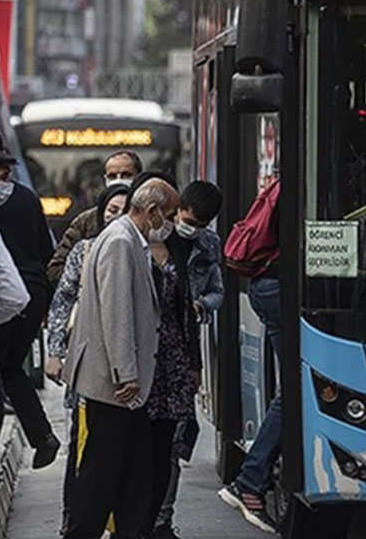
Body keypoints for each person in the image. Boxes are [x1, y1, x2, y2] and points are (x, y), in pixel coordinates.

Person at [63, 177, 179, 539]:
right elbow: (117, 313)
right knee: (103, 473)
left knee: (133, 472)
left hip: (124, 383)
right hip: (114, 383)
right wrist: (125, 373)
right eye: (169, 214)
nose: (170, 222)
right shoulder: (120, 241)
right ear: (152, 210)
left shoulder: (130, 239)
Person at [0, 140, 61, 470]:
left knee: (1, 372)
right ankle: (39, 437)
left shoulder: (7, 203)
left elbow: (42, 250)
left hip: (12, 297)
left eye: (7, 176)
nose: (3, 184)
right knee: (6, 371)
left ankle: (33, 440)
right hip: (21, 296)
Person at [43, 182, 131, 535]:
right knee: (84, 448)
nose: (117, 217)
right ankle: (76, 520)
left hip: (132, 374)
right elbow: (62, 300)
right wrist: (55, 352)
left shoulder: (147, 250)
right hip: (88, 366)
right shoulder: (84, 250)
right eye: (112, 211)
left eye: (124, 211)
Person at [147, 180, 222, 538]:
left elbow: (217, 291)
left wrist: (199, 306)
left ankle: (162, 520)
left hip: (183, 352)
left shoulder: (207, 246)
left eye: (200, 224)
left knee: (173, 444)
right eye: (187, 218)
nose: (191, 228)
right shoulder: (152, 241)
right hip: (149, 353)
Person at [219, 187, 282, 534]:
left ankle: (251, 480)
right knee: (300, 388)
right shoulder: (305, 185)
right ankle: (249, 481)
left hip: (267, 286)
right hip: (277, 288)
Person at [47, 150, 144, 285]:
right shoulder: (85, 221)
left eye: (126, 175)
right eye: (112, 176)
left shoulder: (150, 218)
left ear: (139, 177)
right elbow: (55, 270)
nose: (118, 180)